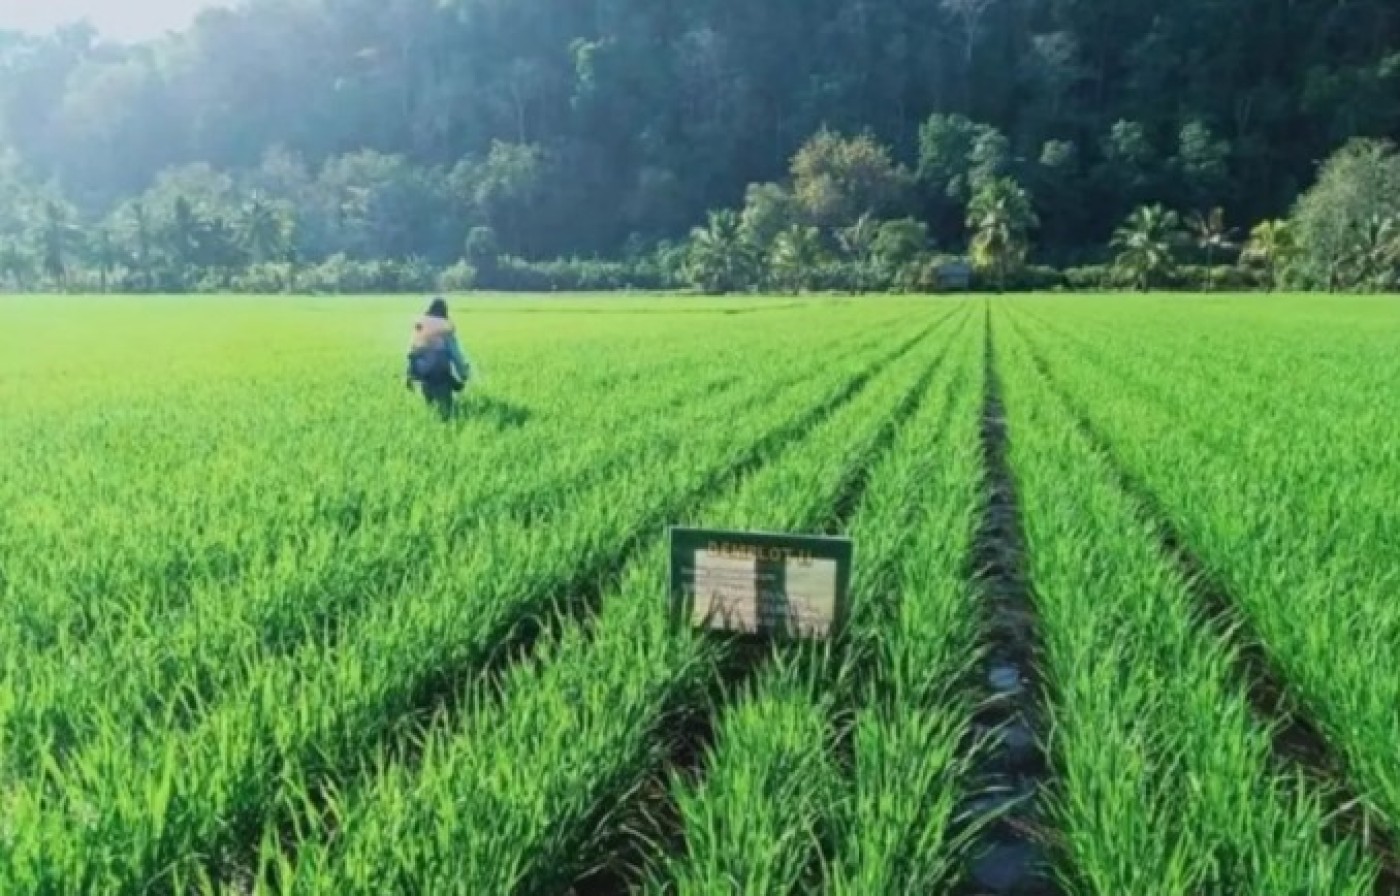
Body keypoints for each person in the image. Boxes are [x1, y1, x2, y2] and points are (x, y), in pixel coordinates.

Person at [405, 296, 471, 419]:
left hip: (423, 373)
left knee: (431, 411)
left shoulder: (420, 325)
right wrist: (463, 373)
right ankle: (454, 384)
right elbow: (455, 353)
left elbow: (411, 351)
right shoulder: (445, 326)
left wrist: (409, 376)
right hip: (440, 373)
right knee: (447, 411)